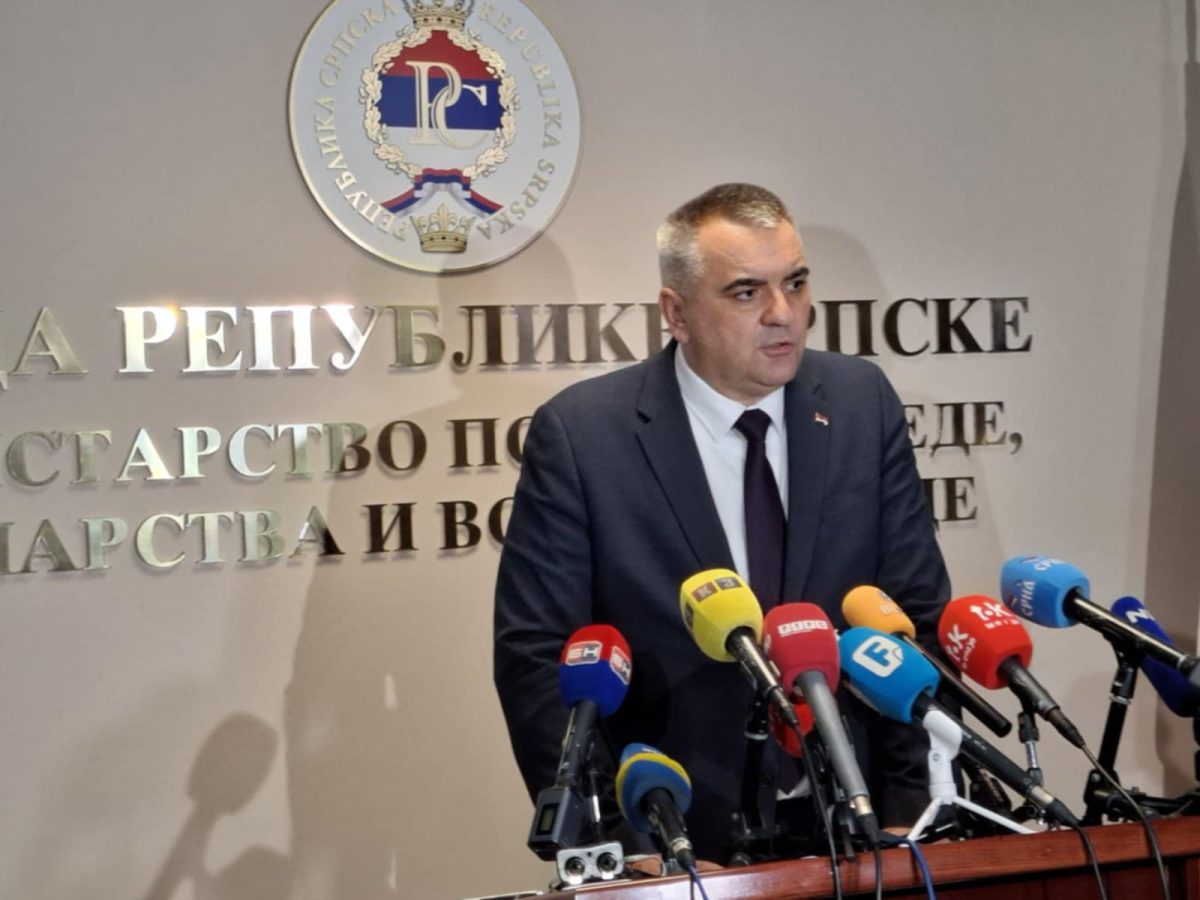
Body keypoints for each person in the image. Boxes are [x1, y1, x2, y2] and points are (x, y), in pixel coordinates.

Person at [493, 183, 951, 863]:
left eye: (795, 283)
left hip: (859, 829)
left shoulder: (862, 402)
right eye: (746, 292)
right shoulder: (584, 436)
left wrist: (911, 809)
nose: (783, 314)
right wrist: (622, 849)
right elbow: (538, 660)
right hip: (678, 836)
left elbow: (916, 615)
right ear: (676, 313)